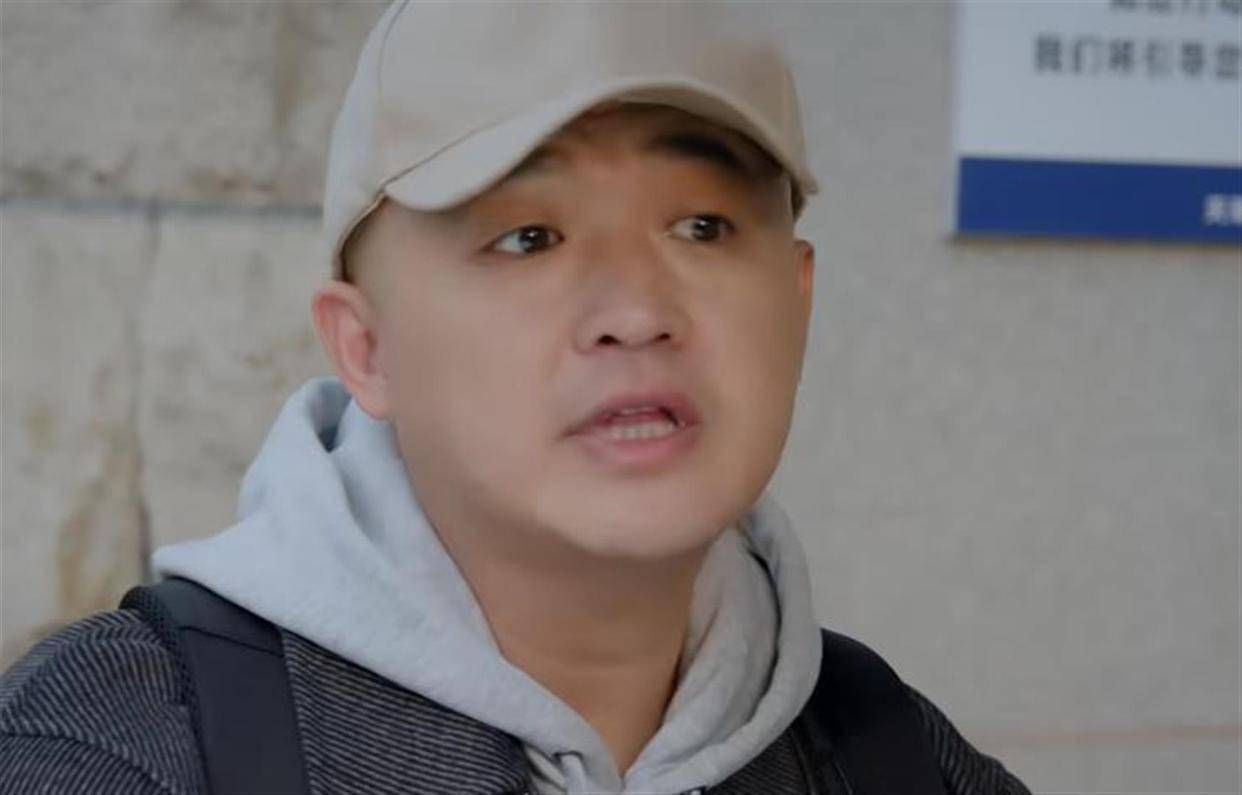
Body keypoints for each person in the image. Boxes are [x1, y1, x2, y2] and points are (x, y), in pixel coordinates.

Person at [0, 2, 1032, 793]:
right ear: (366, 347)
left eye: (703, 227)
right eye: (530, 238)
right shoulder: (118, 746)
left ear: (798, 302)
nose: (637, 312)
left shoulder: (900, 760)